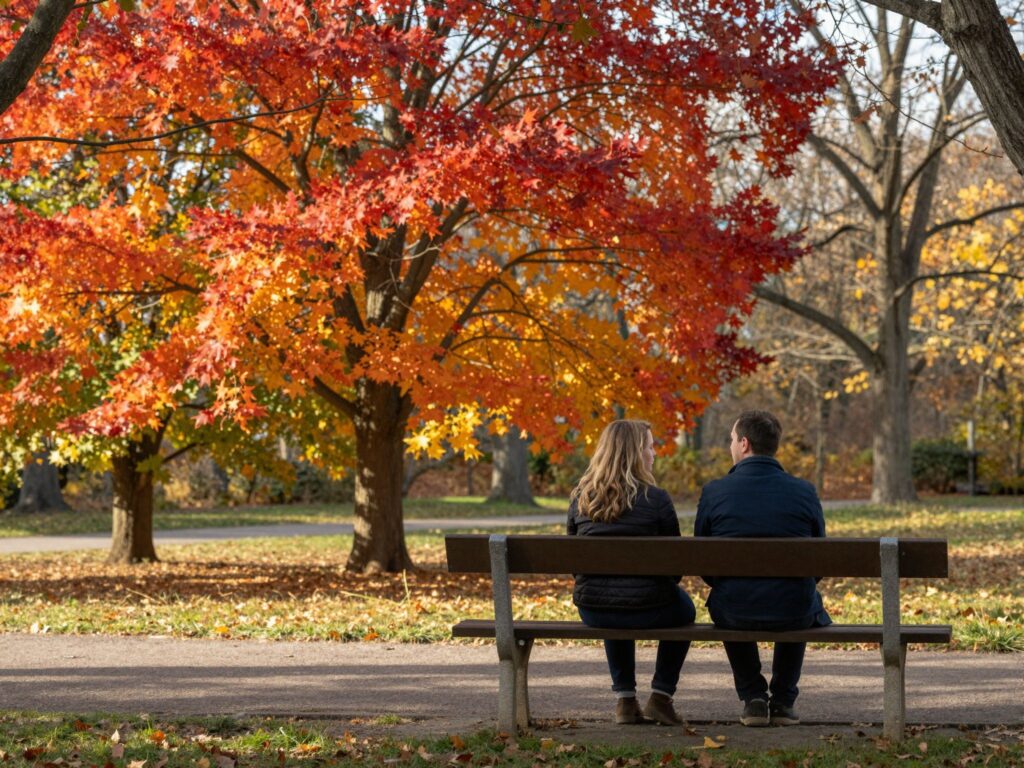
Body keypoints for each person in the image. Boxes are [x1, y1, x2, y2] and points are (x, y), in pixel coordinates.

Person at [694, 410, 831, 727]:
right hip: (793, 607)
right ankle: (783, 701)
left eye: (731, 439)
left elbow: (702, 560)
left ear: (743, 444)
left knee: (730, 597)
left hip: (735, 608)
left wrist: (725, 581)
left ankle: (754, 697)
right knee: (799, 593)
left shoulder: (715, 492)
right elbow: (819, 560)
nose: (731, 445)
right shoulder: (804, 491)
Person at [568, 419, 696, 726]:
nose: (654, 453)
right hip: (649, 607)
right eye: (649, 446)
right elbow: (675, 567)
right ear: (636, 453)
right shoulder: (657, 499)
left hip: (593, 609)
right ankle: (661, 697)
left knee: (614, 597)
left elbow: (576, 566)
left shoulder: (581, 498)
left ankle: (625, 701)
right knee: (686, 609)